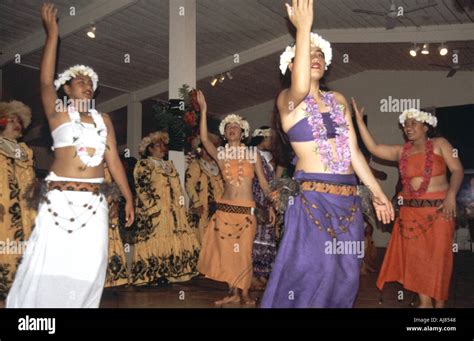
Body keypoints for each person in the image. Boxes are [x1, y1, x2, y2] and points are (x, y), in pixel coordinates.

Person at [261, 0, 394, 308]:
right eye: (307, 55)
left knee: (345, 278)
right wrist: (303, 29)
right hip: (312, 200)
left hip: (347, 200)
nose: (315, 57)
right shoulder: (288, 102)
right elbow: (300, 87)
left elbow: (352, 151)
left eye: (319, 54)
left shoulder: (339, 100)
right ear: (292, 67)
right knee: (308, 272)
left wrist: (377, 193)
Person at [6, 3, 134, 308]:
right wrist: (53, 35)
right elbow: (44, 82)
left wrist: (128, 197)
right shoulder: (59, 114)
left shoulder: (104, 121)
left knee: (91, 265)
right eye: (80, 80)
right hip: (60, 198)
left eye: (90, 82)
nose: (87, 85)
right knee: (54, 264)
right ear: (67, 89)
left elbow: (113, 159)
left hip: (95, 200)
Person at [353, 104, 464, 308]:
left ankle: (439, 305)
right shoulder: (401, 152)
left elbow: (457, 170)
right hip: (410, 212)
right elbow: (374, 148)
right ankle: (424, 303)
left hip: (439, 210)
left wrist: (451, 196)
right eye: (405, 125)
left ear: (426, 126)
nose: (408, 127)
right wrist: (360, 123)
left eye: (413, 123)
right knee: (416, 258)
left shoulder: (441, 144)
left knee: (439, 258)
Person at [196, 91, 276, 305]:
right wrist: (204, 111)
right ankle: (232, 293)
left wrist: (271, 205)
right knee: (227, 254)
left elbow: (265, 183)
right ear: (225, 133)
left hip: (246, 209)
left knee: (244, 253)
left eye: (236, 127)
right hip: (225, 210)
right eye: (228, 127)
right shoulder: (221, 154)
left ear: (243, 132)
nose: (232, 129)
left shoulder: (253, 154)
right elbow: (204, 138)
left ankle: (245, 293)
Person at [131, 131, 200, 285]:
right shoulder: (143, 165)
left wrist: (182, 205)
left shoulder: (169, 165)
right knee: (156, 239)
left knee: (174, 238)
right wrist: (152, 208)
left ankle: (170, 272)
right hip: (156, 210)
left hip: (174, 211)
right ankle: (153, 275)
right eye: (158, 145)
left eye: (164, 144)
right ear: (149, 149)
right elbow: (142, 188)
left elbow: (178, 187)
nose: (162, 147)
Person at [0, 100, 36, 298]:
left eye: (19, 121)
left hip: (23, 207)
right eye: (12, 120)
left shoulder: (25, 150)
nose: (16, 124)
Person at [249, 127, 278, 289]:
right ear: (262, 139)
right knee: (255, 236)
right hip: (256, 199)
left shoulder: (268, 158)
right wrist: (269, 202)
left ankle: (261, 274)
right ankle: (252, 275)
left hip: (265, 200)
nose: (272, 143)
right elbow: (261, 181)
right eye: (269, 139)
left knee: (265, 236)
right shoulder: (252, 153)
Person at [185, 135, 224, 244]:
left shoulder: (218, 166)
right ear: (200, 150)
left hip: (219, 208)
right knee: (202, 239)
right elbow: (189, 185)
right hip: (202, 208)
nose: (207, 152)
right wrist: (197, 204)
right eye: (205, 149)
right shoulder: (196, 165)